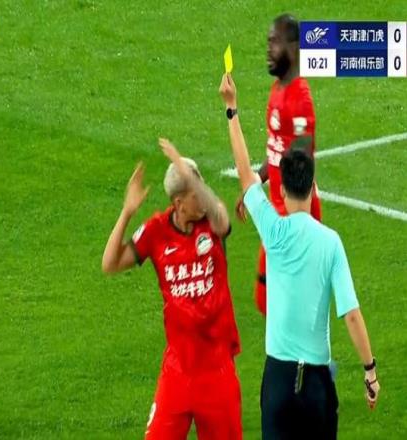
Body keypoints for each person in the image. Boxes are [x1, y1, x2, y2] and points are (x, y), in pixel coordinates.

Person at [219, 72, 380, 439]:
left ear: (282, 188)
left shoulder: (273, 233)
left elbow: (245, 175)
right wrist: (369, 370)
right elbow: (351, 314)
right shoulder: (331, 243)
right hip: (317, 384)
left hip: (278, 380)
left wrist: (232, 110)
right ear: (313, 186)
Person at [102, 138, 242, 439]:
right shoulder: (156, 231)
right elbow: (110, 264)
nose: (202, 197)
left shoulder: (213, 221)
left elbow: (220, 217)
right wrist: (127, 213)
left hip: (217, 370)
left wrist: (184, 167)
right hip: (178, 371)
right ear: (178, 204)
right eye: (194, 194)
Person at [237, 14, 322, 315]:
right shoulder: (277, 90)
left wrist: (290, 224)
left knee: (285, 305)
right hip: (276, 213)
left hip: (294, 217)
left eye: (275, 42)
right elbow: (277, 151)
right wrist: (255, 184)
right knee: (266, 301)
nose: (268, 49)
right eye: (268, 41)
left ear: (294, 48)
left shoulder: (300, 99)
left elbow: (301, 162)